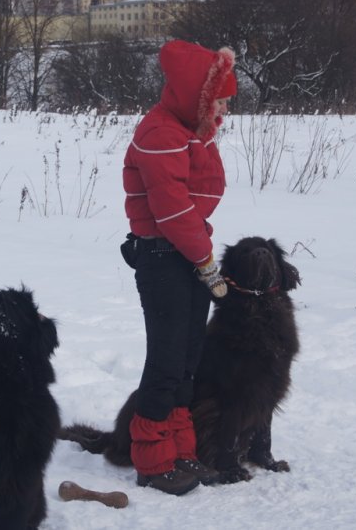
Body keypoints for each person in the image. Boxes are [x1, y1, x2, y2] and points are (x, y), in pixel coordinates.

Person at [121, 39, 236, 495]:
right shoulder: (160, 133)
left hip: (187, 253)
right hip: (166, 257)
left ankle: (181, 450)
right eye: (221, 98)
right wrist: (206, 261)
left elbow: (193, 206)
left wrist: (202, 258)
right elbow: (172, 212)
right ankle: (152, 461)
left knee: (189, 359)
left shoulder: (188, 130)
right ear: (199, 97)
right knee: (167, 362)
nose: (226, 107)